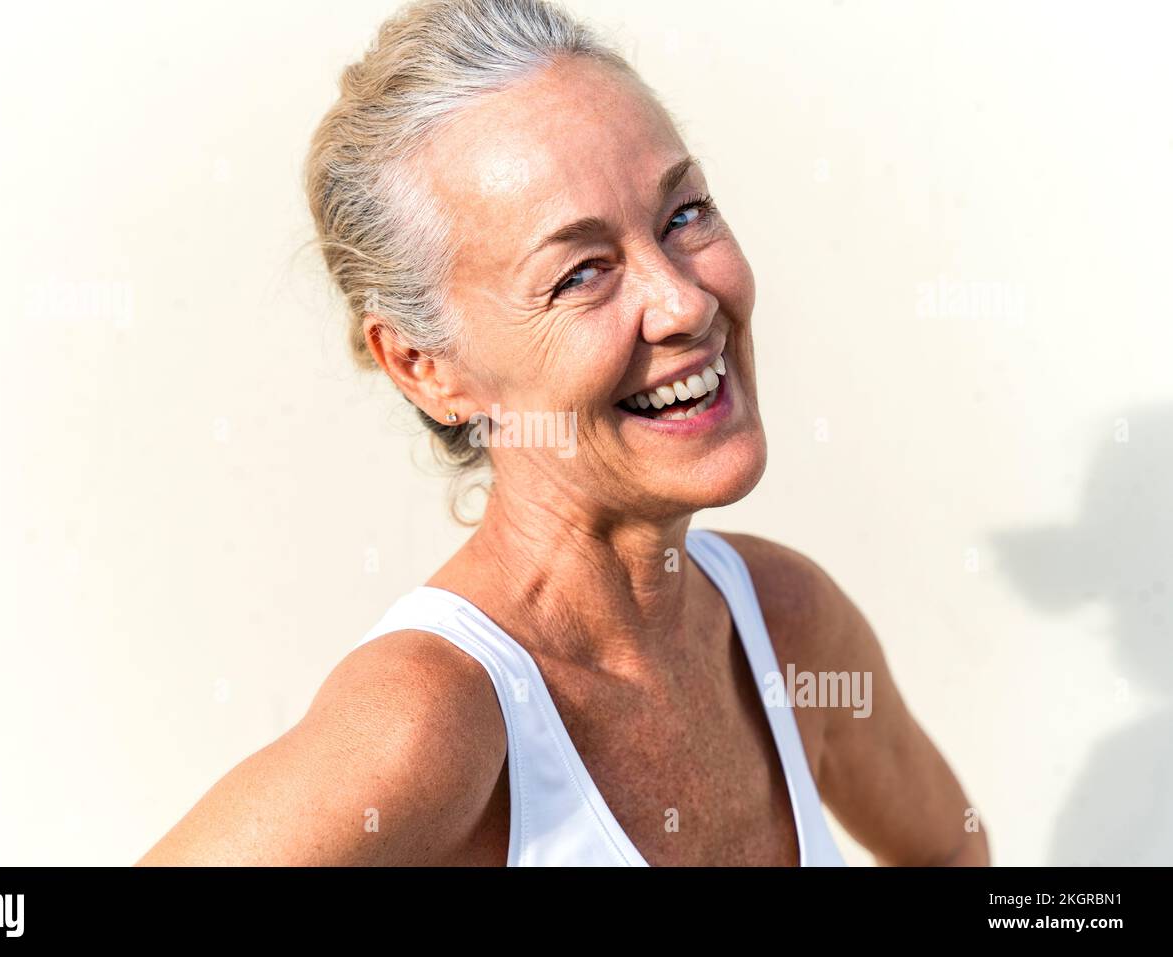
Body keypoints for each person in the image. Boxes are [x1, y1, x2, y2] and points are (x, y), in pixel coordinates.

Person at [137, 0, 989, 867]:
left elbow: (956, 857)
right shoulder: (431, 722)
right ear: (427, 366)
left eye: (685, 214)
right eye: (581, 273)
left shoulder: (786, 623)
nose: (685, 302)